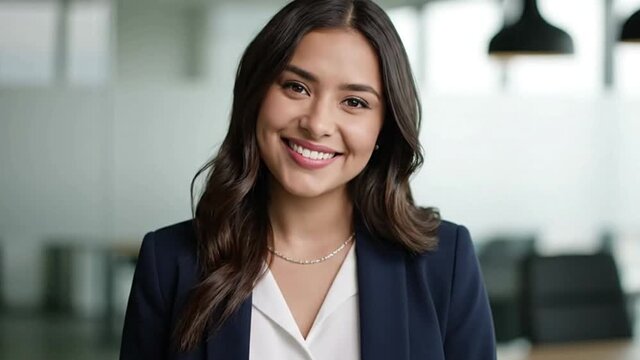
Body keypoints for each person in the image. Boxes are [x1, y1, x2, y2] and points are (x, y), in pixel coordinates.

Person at [120, 0, 496, 359]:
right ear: (255, 96)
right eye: (297, 87)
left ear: (384, 128)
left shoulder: (444, 262)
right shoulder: (169, 261)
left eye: (354, 102)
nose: (316, 124)